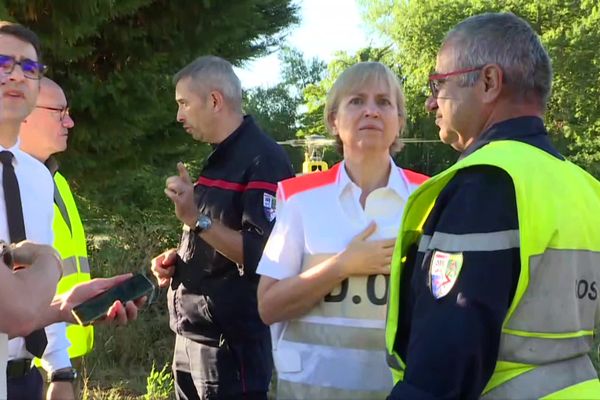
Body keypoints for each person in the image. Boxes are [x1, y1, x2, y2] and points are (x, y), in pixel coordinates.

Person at [385, 12, 600, 400]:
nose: (431, 102)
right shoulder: (585, 187)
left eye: (438, 83)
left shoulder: (485, 183)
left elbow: (447, 355)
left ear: (488, 82)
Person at [256, 61, 428, 399]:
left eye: (383, 102)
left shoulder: (427, 199)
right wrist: (342, 266)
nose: (371, 111)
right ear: (334, 120)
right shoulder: (299, 199)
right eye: (357, 101)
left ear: (399, 123)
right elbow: (268, 307)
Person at [0, 21, 139, 400]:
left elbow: (22, 310)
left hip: (21, 379)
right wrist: (51, 263)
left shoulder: (37, 178)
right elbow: (13, 308)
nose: (16, 75)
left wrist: (61, 357)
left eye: (29, 68)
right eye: (2, 62)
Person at [151, 55, 294, 400]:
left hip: (229, 348)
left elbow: (261, 254)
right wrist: (181, 258)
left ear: (214, 100)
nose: (179, 115)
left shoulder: (264, 159)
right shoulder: (220, 156)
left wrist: (195, 220)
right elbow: (214, 235)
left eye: (184, 103)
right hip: (190, 337)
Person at [20, 77, 93, 396]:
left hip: (44, 363)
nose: (70, 121)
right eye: (59, 111)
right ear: (24, 113)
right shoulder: (12, 181)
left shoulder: (53, 181)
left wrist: (60, 368)